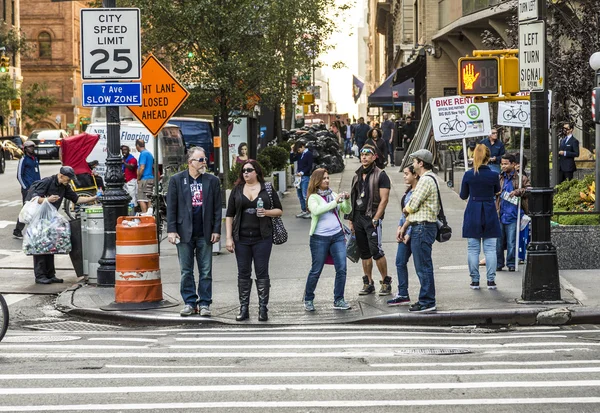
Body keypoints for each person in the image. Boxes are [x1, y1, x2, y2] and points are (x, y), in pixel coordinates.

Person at [167, 147, 222, 317]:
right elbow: (172, 207)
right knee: (186, 270)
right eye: (201, 160)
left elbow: (217, 208)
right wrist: (171, 230)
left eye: (204, 159)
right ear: (190, 162)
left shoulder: (212, 181)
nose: (204, 162)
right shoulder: (177, 180)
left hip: (205, 231)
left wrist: (216, 229)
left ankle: (205, 302)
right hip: (184, 232)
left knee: (206, 270)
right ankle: (190, 302)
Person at [225, 159, 283, 322]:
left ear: (256, 171)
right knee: (243, 272)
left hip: (262, 238)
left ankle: (263, 309)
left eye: (249, 170)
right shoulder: (237, 190)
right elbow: (229, 215)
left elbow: (279, 210)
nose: (246, 173)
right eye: (244, 170)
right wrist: (229, 238)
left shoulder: (267, 189)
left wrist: (266, 212)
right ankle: (244, 309)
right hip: (241, 239)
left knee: (262, 271)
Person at [27, 166, 97, 284]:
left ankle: (50, 274)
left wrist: (94, 197)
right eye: (68, 179)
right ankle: (40, 276)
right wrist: (47, 200)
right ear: (61, 175)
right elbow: (34, 198)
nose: (68, 181)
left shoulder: (64, 186)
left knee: (50, 247)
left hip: (51, 220)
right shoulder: (47, 182)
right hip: (39, 219)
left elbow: (77, 199)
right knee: (40, 248)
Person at [303, 168, 352, 312]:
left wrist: (346, 200)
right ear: (317, 181)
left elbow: (346, 210)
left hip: (337, 236)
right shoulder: (313, 197)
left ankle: (339, 299)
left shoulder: (333, 195)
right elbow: (317, 210)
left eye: (328, 178)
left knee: (342, 268)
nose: (326, 180)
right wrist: (334, 202)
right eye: (324, 178)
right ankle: (309, 299)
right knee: (316, 270)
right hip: (319, 238)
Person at [347, 144, 392, 296]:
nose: (364, 157)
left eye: (368, 154)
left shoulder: (381, 175)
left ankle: (385, 282)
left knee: (376, 251)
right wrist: (351, 219)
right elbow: (353, 198)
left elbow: (384, 199)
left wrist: (376, 218)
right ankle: (368, 283)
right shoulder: (356, 175)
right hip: (358, 217)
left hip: (372, 218)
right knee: (364, 253)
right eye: (362, 154)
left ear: (374, 157)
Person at [398, 149, 440, 312]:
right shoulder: (429, 178)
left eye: (415, 161)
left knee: (423, 266)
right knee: (423, 265)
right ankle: (426, 299)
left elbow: (413, 205)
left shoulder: (425, 180)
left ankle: (427, 301)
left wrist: (405, 209)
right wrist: (405, 225)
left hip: (423, 227)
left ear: (421, 163)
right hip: (421, 225)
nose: (413, 164)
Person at [460, 144, 501, 290]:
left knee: (473, 249)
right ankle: (491, 280)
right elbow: (497, 190)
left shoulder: (469, 174)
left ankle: (475, 281)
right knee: (490, 249)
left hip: (473, 209)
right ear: (488, 158)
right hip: (489, 209)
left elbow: (463, 195)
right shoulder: (493, 174)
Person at [387, 165, 419, 306]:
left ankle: (426, 297)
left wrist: (408, 232)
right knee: (400, 262)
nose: (404, 176)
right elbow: (404, 213)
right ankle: (403, 293)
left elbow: (416, 214)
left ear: (415, 175)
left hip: (415, 231)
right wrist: (399, 228)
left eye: (407, 174)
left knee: (421, 266)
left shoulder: (418, 191)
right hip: (405, 231)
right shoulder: (408, 192)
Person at [496, 153, 531, 272]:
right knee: (498, 242)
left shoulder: (521, 178)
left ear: (513, 164)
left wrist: (517, 191)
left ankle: (511, 263)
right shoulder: (499, 177)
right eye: (502, 164)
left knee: (512, 241)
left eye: (506, 164)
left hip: (513, 213)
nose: (503, 166)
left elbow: (529, 190)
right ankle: (499, 263)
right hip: (500, 213)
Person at [14, 140, 40, 239]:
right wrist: (26, 188)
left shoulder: (35, 159)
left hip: (37, 188)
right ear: (25, 149)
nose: (32, 148)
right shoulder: (23, 159)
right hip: (28, 189)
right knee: (26, 210)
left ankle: (36, 230)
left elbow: (37, 173)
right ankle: (17, 230)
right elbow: (19, 175)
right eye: (30, 147)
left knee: (37, 209)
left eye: (33, 147)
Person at [290, 141, 313, 219]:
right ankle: (303, 210)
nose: (298, 151)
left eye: (299, 149)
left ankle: (309, 211)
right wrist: (292, 151)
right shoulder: (300, 154)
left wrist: (302, 172)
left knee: (305, 194)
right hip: (298, 177)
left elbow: (309, 166)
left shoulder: (308, 154)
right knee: (300, 195)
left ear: (303, 146)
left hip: (305, 176)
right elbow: (292, 159)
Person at [136, 139, 155, 213]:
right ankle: (150, 215)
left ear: (137, 145)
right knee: (149, 198)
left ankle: (144, 215)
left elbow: (142, 167)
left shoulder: (143, 154)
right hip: (151, 178)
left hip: (144, 179)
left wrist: (138, 178)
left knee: (141, 199)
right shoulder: (149, 154)